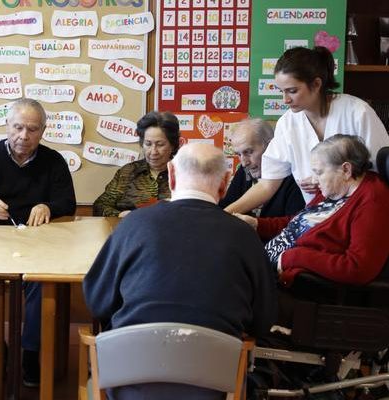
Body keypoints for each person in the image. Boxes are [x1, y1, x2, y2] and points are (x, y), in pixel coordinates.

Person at [84, 142, 277, 400]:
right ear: (225, 183)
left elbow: (98, 301)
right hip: (214, 388)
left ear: (172, 175)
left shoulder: (133, 225)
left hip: (129, 385)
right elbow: (263, 320)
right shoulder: (245, 237)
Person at [0, 98, 77, 386]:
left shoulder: (53, 161)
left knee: (41, 283)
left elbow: (68, 202)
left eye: (32, 129)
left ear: (43, 131)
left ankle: (29, 353)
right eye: (18, 127)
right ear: (6, 126)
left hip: (37, 242)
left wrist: (49, 207)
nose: (24, 136)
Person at [224, 46, 389, 214]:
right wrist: (227, 213)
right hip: (318, 218)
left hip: (361, 213)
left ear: (316, 84)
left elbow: (382, 174)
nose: (286, 100)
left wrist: (327, 179)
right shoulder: (288, 123)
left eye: (292, 91)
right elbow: (267, 184)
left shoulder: (357, 113)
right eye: (281, 92)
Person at [234, 134, 389, 286]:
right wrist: (257, 224)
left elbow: (357, 268)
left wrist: (292, 257)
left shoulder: (374, 202)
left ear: (346, 170)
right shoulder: (337, 190)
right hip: (267, 267)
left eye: (319, 172)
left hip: (291, 285)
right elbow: (299, 223)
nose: (313, 180)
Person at [93, 111, 180, 217]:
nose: (153, 151)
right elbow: (100, 206)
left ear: (172, 145)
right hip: (132, 230)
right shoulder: (128, 172)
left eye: (160, 144)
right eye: (148, 144)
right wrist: (120, 215)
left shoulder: (184, 174)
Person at [219, 118, 306, 217]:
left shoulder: (294, 178)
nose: (244, 163)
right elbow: (227, 204)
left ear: (271, 146)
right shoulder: (245, 171)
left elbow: (294, 224)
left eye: (248, 152)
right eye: (239, 154)